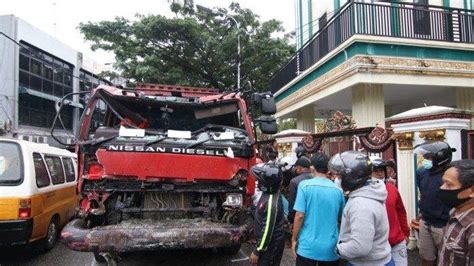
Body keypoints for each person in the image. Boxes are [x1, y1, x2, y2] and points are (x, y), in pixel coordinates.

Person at [331, 151, 393, 266]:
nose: (337, 179)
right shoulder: (370, 191)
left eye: (340, 176)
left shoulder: (361, 205)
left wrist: (338, 249)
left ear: (351, 177)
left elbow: (360, 247)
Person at [291, 153, 345, 266]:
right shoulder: (338, 191)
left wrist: (294, 239)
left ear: (312, 168)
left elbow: (299, 215)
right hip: (330, 248)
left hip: (307, 246)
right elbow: (342, 218)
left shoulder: (304, 186)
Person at [414, 141, 454, 266]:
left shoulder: (450, 175)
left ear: (440, 158)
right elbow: (423, 193)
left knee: (446, 260)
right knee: (426, 257)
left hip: (443, 225)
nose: (425, 160)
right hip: (425, 222)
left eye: (428, 157)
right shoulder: (421, 172)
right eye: (424, 157)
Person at [371, 156, 410, 266]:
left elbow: (401, 212)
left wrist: (406, 233)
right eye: (376, 171)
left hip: (396, 241)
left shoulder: (392, 189)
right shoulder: (364, 192)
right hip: (376, 245)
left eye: (382, 171)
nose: (380, 174)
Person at [437, 160, 474, 266]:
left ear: (471, 191)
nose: (442, 188)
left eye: (449, 184)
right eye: (443, 183)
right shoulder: (455, 211)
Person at [250, 163, 285, 266]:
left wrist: (257, 251)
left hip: (270, 246)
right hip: (268, 244)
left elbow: (267, 230)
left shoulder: (271, 202)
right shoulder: (270, 193)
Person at [288, 156, 312, 223]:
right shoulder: (317, 178)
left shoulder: (294, 181)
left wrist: (291, 219)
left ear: (299, 168)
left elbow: (292, 203)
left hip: (300, 216)